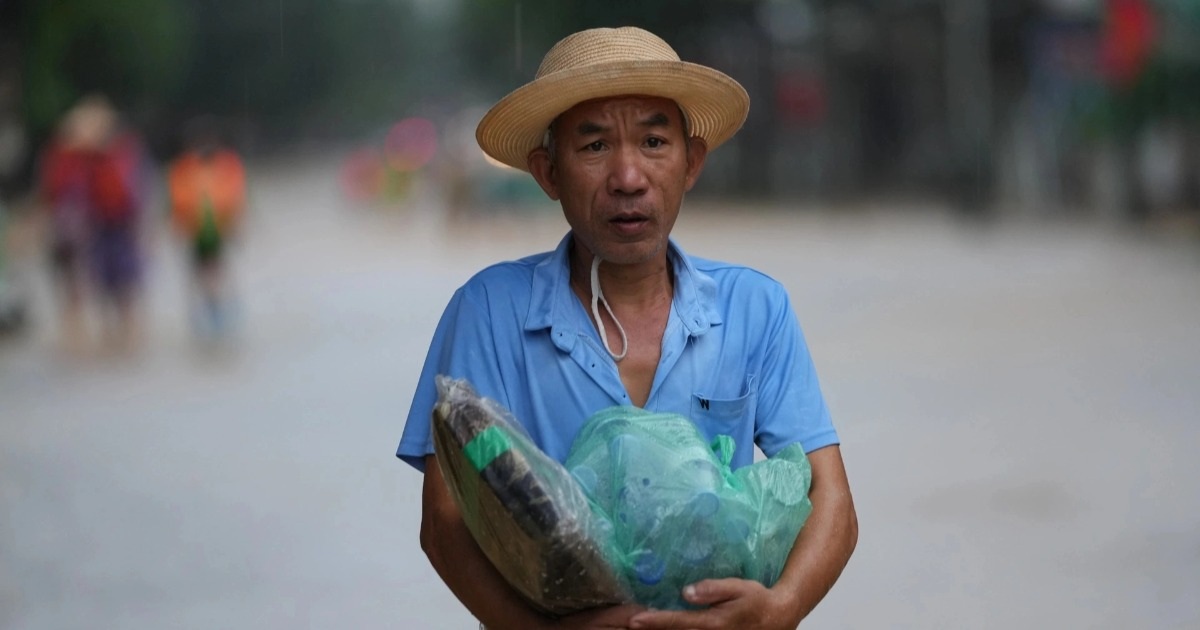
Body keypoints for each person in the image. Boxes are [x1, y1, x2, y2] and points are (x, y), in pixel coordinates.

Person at [397, 27, 857, 629]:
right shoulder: (490, 310)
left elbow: (832, 502)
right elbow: (447, 520)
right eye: (593, 147)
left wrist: (779, 609)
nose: (628, 177)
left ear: (691, 162)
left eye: (654, 141)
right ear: (548, 173)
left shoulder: (755, 307)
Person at [38, 95, 148, 352]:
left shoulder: (119, 153)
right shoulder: (67, 157)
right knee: (83, 283)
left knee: (119, 284)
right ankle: (90, 336)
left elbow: (136, 192)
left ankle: (121, 335)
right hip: (82, 229)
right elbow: (51, 194)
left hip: (112, 226)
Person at [167, 116, 246, 337]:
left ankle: (217, 311)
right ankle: (210, 312)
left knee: (212, 270)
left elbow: (236, 198)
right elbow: (177, 204)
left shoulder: (224, 166)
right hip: (198, 230)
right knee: (206, 271)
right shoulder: (185, 169)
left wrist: (238, 224)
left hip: (216, 229)